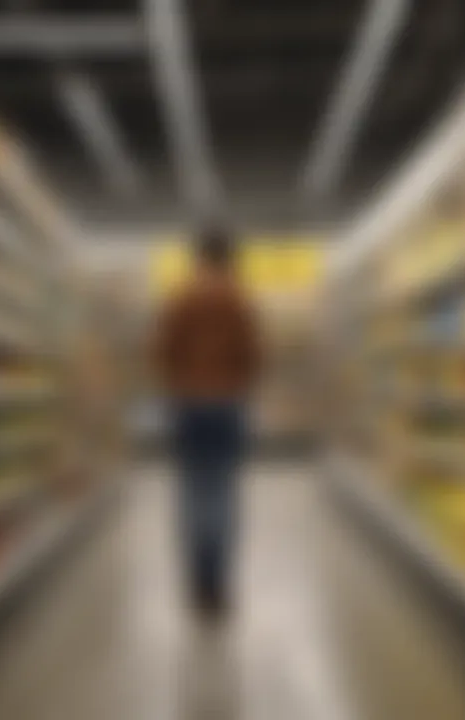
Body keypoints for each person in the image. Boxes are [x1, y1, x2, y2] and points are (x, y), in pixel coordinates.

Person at [155, 228, 261, 614]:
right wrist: (236, 384)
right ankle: (218, 584)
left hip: (188, 404)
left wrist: (179, 384)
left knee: (190, 493)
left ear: (198, 256)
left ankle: (197, 583)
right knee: (223, 493)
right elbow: (252, 354)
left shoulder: (180, 297)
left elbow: (164, 350)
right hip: (228, 403)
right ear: (230, 257)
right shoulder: (239, 298)